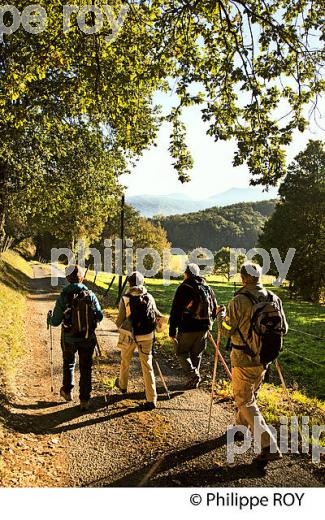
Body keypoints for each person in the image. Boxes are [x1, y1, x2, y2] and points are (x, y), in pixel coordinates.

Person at [220, 262, 288, 462]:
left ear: (243, 278)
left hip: (243, 358)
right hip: (265, 357)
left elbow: (226, 330)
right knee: (250, 397)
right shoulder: (274, 298)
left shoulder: (238, 301)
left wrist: (221, 316)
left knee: (244, 400)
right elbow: (284, 328)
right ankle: (240, 430)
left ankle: (269, 446)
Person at [47, 264, 103, 411]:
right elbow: (100, 316)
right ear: (82, 278)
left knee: (69, 363)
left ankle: (67, 391)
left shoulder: (63, 296)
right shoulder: (90, 295)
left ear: (67, 278)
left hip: (68, 338)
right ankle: (84, 400)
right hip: (87, 337)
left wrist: (49, 318)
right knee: (86, 368)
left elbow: (55, 321)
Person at [115, 271, 163, 411]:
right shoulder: (149, 297)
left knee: (125, 361)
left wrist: (123, 328)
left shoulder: (125, 299)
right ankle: (151, 399)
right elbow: (157, 314)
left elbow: (119, 321)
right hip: (147, 336)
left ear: (129, 283)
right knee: (147, 366)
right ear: (142, 283)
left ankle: (123, 386)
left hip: (130, 336)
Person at [169, 263, 217, 389]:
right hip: (204, 327)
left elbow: (176, 310)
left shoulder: (184, 287)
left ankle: (193, 375)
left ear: (186, 273)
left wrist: (172, 330)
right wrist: (210, 323)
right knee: (197, 354)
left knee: (181, 352)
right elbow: (215, 308)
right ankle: (194, 381)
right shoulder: (207, 287)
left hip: (187, 327)